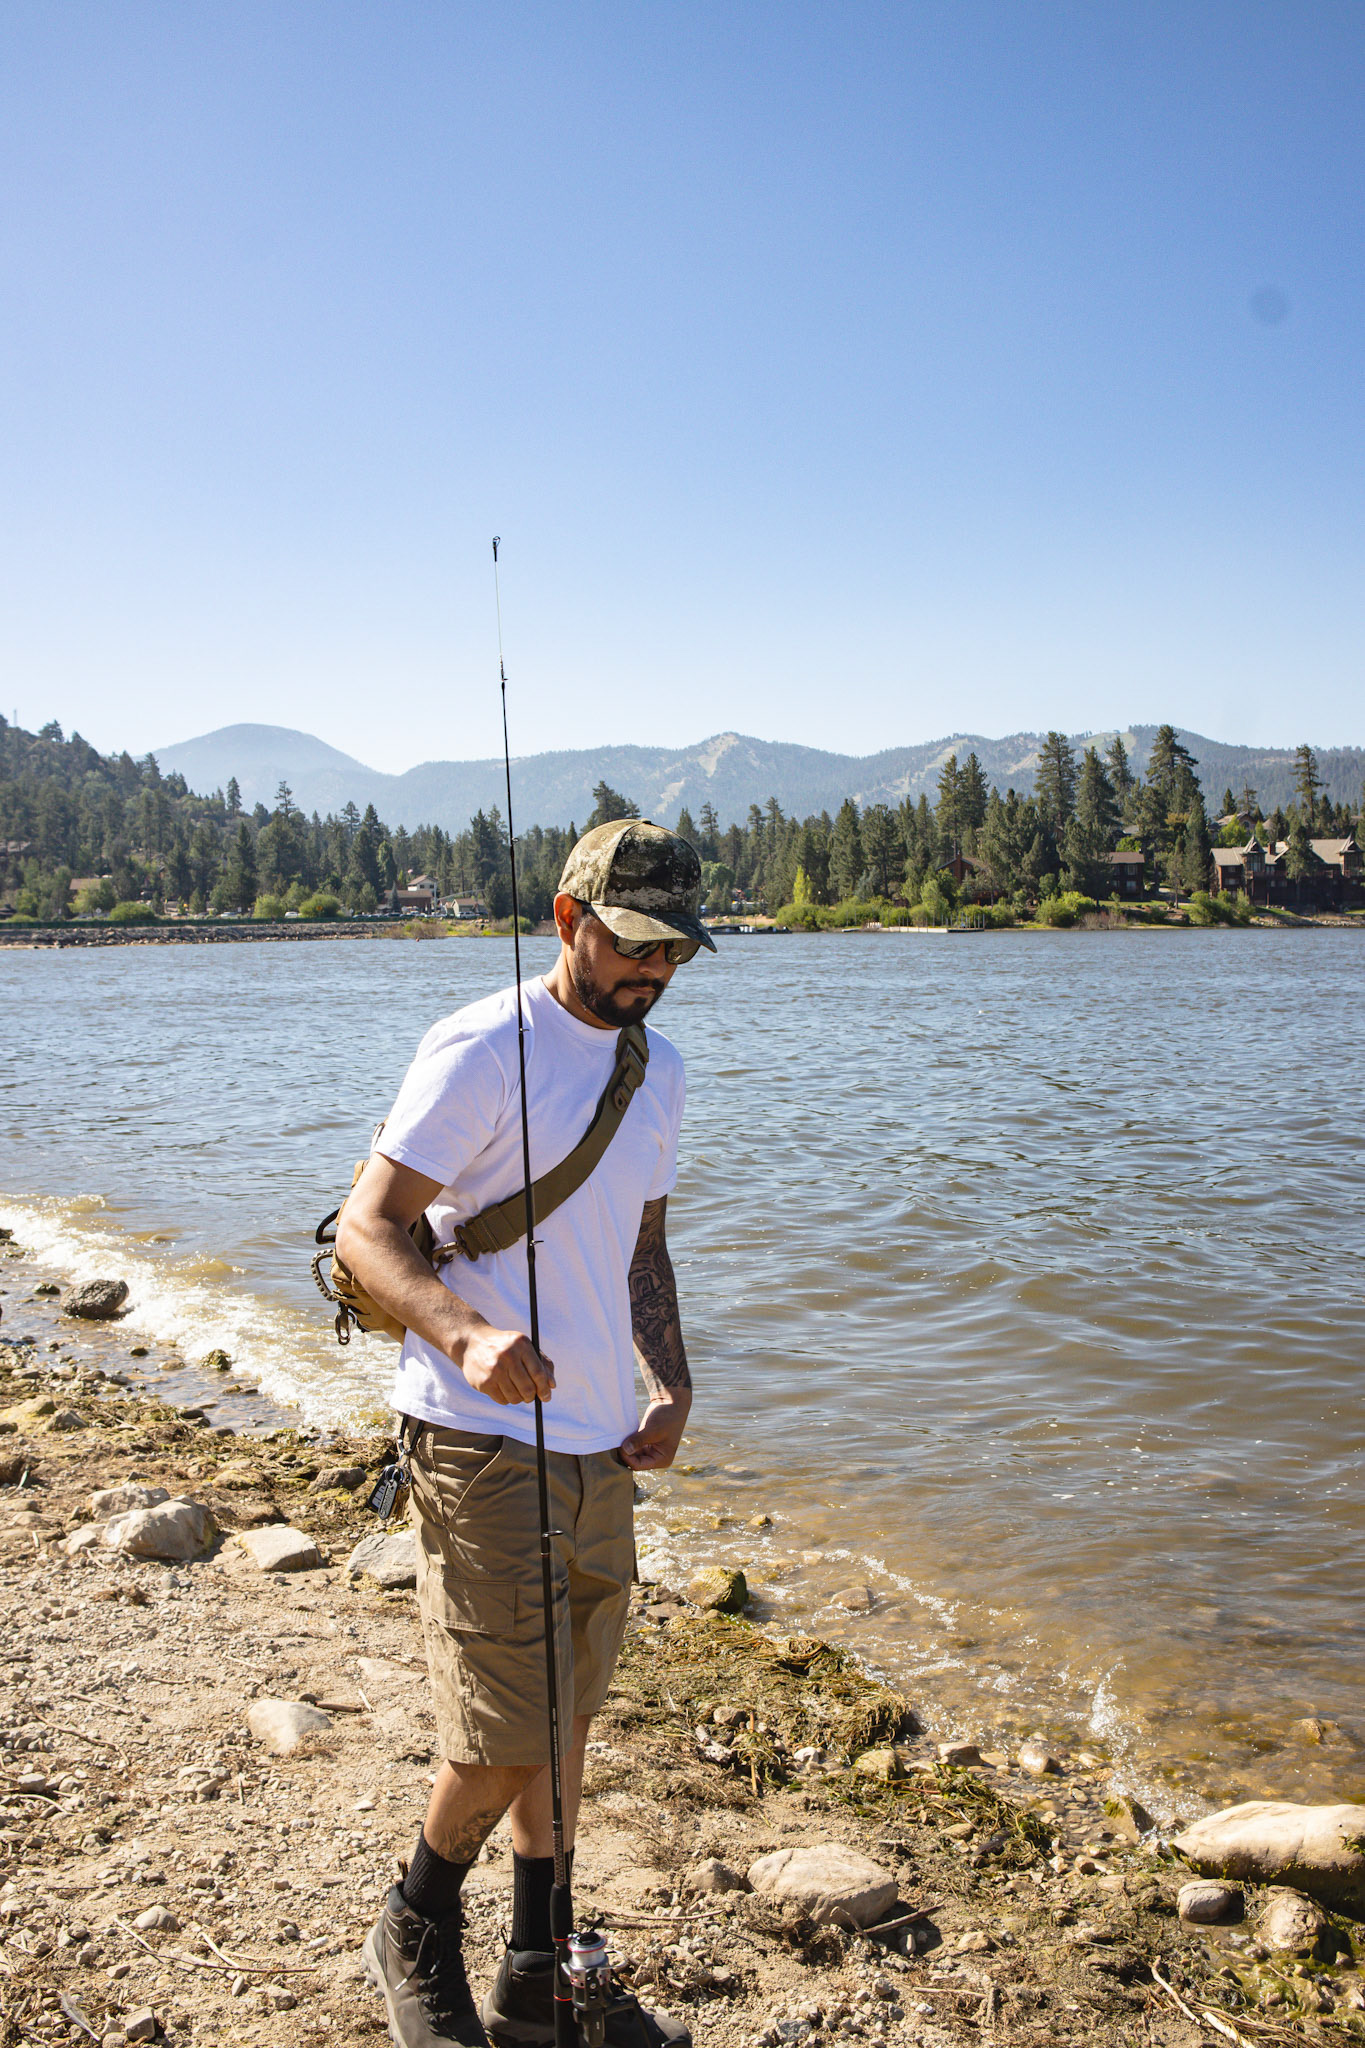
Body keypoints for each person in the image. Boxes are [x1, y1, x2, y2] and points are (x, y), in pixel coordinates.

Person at [337, 818, 714, 2048]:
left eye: (675, 950)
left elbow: (642, 1245)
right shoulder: (480, 1046)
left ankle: (536, 1965)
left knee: (568, 1714)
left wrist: (671, 1381)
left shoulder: (656, 1068)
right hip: (478, 1433)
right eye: (636, 943)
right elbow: (367, 1227)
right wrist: (463, 1334)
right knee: (511, 1724)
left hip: (602, 1439)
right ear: (568, 919)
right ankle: (413, 1919)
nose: (654, 970)